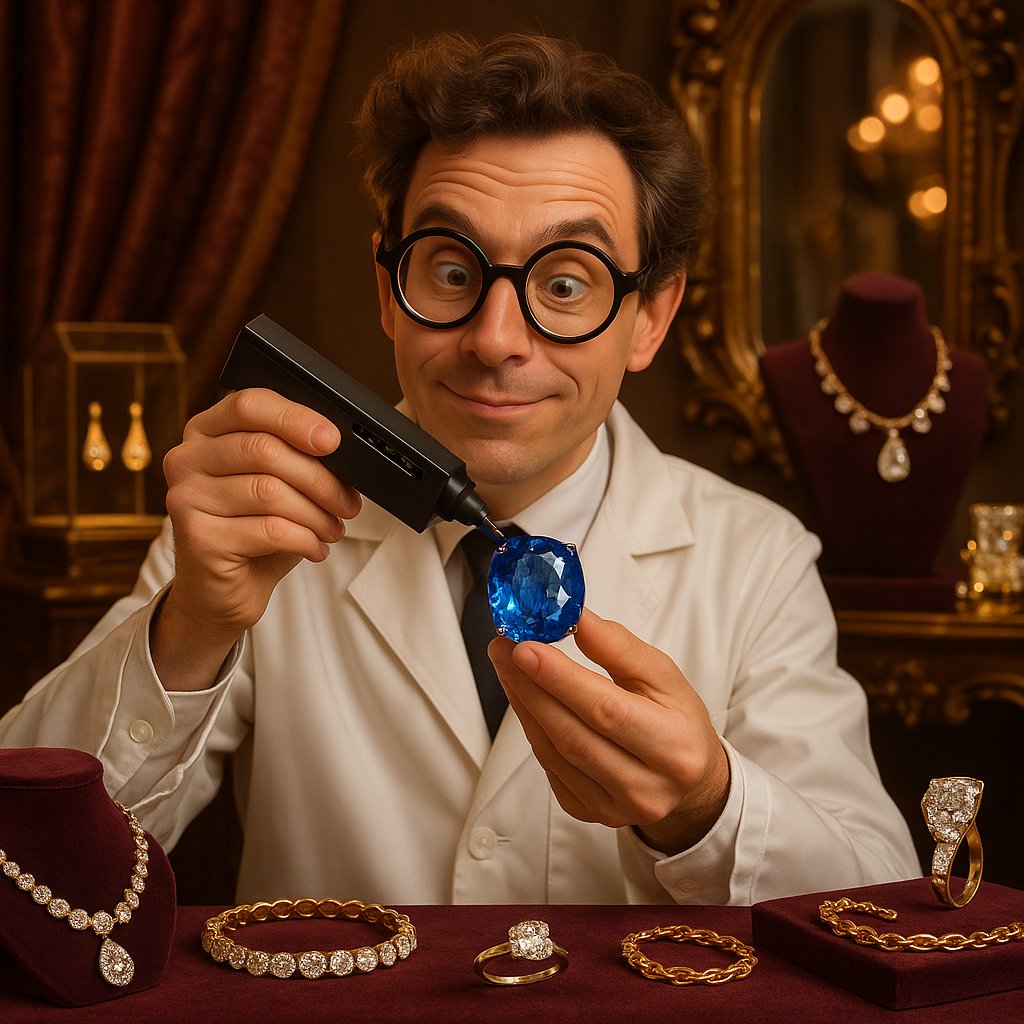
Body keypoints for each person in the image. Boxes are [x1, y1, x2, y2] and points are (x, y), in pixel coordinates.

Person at [0, 32, 919, 904]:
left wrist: (707, 809)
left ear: (651, 316)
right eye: (449, 271)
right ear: (386, 288)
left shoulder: (756, 561)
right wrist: (192, 628)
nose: (494, 340)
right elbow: (30, 861)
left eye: (565, 283)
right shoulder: (252, 521)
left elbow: (876, 897)